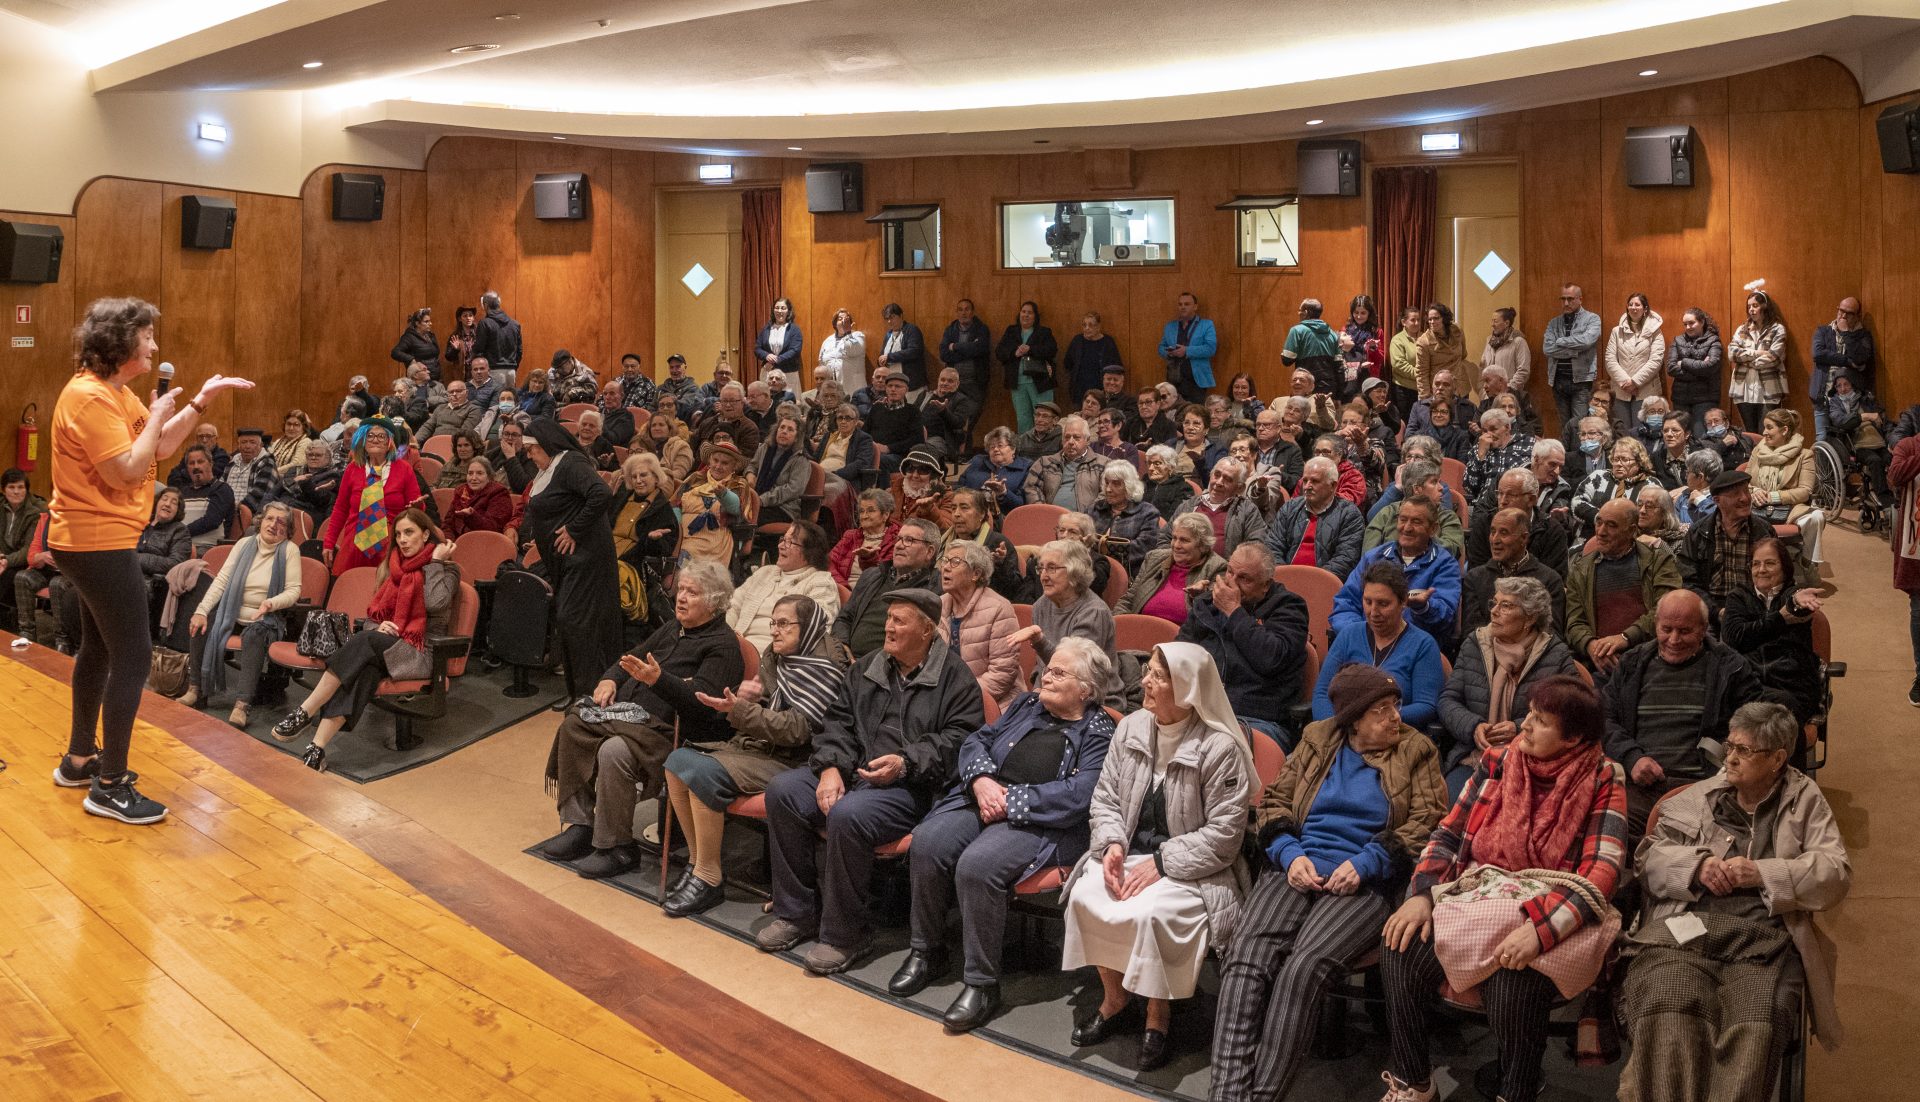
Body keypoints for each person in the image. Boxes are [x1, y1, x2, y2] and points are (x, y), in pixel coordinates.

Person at [1377, 675, 1627, 1102]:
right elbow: (1448, 834)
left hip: (1551, 903)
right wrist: (1421, 894)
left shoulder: (1603, 775)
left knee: (1514, 985)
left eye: (1541, 720)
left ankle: (1516, 1092)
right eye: (1529, 713)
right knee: (1400, 944)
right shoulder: (1499, 759)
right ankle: (1414, 1081)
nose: (1524, 724)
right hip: (1481, 897)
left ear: (1573, 738)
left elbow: (1601, 872)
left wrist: (1541, 930)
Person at [1213, 665, 1447, 1101]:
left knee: (1303, 969)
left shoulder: (1416, 749)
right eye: (1381, 710)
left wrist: (1369, 861)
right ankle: (1227, 1096)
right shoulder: (1318, 738)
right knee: (1246, 957)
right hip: (1299, 863)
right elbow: (1275, 801)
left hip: (1368, 878)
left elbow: (1429, 821)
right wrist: (1289, 853)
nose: (1395, 717)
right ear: (1354, 718)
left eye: (1395, 706)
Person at [48, 300, 252, 800]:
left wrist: (198, 402)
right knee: (134, 658)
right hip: (96, 540)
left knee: (99, 648)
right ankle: (110, 785)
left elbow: (158, 447)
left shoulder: (115, 393)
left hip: (97, 538)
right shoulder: (89, 398)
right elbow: (125, 471)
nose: (154, 346)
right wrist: (159, 412)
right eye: (147, 337)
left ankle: (79, 760)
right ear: (121, 342)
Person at [1620, 701, 1850, 1100]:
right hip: (1684, 935)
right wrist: (1696, 866)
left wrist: (1763, 872)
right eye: (1730, 746)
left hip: (1764, 943)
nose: (1729, 758)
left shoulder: (1805, 799)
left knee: (1755, 1025)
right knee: (1667, 1006)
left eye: (1744, 750)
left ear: (1778, 758)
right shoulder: (1700, 796)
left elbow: (1836, 874)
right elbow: (1648, 859)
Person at [759, 588, 984, 972]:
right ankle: (796, 912)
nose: (888, 627)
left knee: (849, 814)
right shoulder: (867, 666)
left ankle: (845, 935)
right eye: (888, 618)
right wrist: (830, 767)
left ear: (926, 630)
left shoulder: (956, 679)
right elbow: (836, 722)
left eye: (899, 621)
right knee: (783, 792)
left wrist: (905, 762)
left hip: (912, 786)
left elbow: (958, 743)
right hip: (854, 772)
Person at [898, 638, 1116, 1028]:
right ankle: (927, 951)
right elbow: (977, 740)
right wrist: (982, 781)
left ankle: (981, 983)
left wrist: (1010, 800)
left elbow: (1082, 795)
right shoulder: (1028, 704)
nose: (1046, 676)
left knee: (977, 865)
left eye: (1059, 672)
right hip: (986, 798)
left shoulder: (1098, 729)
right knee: (928, 843)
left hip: (1042, 820)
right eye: (1047, 669)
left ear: (1085, 690)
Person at [1061, 642, 1254, 1071]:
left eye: (1157, 677)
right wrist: (1112, 843)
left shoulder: (1220, 747)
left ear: (1187, 689)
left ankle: (1157, 1014)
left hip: (1193, 869)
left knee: (1152, 915)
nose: (1144, 682)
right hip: (1130, 852)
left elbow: (1224, 836)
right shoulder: (1131, 727)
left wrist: (1162, 864)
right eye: (1147, 671)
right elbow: (1105, 798)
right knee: (1086, 896)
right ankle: (1115, 998)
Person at [530, 561, 744, 877]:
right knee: (574, 724)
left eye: (692, 592)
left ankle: (618, 847)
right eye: (681, 589)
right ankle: (580, 824)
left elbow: (703, 707)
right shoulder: (673, 628)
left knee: (613, 750)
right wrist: (610, 679)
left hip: (673, 734)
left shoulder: (722, 646)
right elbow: (631, 658)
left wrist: (659, 680)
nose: (681, 597)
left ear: (714, 602)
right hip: (634, 720)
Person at [656, 593, 850, 916]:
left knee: (699, 770)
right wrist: (749, 699)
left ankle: (709, 878)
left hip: (797, 762)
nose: (774, 630)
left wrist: (742, 710)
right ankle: (697, 862)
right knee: (676, 763)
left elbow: (798, 730)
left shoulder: (826, 666)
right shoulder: (777, 655)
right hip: (761, 748)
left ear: (809, 626)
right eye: (773, 623)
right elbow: (772, 706)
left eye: (784, 623)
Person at [270, 508, 459, 771]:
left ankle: (305, 711)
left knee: (366, 641)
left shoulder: (447, 570)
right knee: (365, 671)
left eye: (409, 532)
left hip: (420, 653)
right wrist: (380, 626)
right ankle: (317, 748)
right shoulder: (391, 568)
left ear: (426, 534)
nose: (403, 540)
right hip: (386, 648)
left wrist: (436, 562)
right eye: (399, 534)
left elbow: (435, 602)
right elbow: (371, 618)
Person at [1604, 590, 1764, 835]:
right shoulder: (1631, 664)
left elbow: (1753, 727)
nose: (1674, 639)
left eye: (1685, 631)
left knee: (1708, 840)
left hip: (1705, 787)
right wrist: (1632, 757)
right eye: (1666, 629)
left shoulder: (1731, 667)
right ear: (1655, 625)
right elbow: (1605, 719)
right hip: (1639, 788)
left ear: (1704, 629)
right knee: (1607, 831)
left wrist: (1723, 766)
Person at [1439, 575, 1580, 797]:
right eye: (1494, 603)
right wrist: (1473, 727)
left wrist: (1518, 728)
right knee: (1453, 808)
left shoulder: (1555, 654)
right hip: (1474, 755)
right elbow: (1448, 700)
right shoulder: (1475, 644)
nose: (1494, 611)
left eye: (1506, 606)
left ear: (1530, 618)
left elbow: (1570, 712)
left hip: (1533, 760)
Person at [520, 418, 622, 708]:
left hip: (586, 559)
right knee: (569, 624)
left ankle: (590, 694)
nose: (529, 455)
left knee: (575, 621)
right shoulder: (549, 469)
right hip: (564, 562)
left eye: (532, 449)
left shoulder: (570, 463)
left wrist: (575, 529)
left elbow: (601, 493)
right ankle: (578, 692)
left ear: (547, 444)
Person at [182, 502, 301, 727]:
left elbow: (294, 591)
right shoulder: (244, 544)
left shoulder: (290, 550)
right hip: (233, 609)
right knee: (202, 624)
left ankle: (242, 705)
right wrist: (201, 610)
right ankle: (196, 689)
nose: (274, 525)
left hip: (267, 616)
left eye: (281, 522)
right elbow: (222, 580)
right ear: (261, 521)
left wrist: (270, 603)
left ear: (287, 530)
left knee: (254, 635)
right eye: (270, 519)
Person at [1178, 542, 1309, 744]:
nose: (1231, 582)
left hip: (1256, 718)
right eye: (1230, 572)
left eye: (1244, 578)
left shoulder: (1289, 607)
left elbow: (1271, 659)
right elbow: (1179, 653)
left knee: (1213, 746)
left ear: (1266, 585)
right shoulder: (1207, 603)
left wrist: (1233, 611)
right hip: (1202, 711)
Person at [1316, 560, 1445, 730]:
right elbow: (1322, 693)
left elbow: (1426, 706)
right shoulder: (1349, 635)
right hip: (1343, 731)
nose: (1373, 612)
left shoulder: (1423, 645)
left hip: (1396, 733)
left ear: (1403, 602)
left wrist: (1375, 718)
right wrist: (1335, 728)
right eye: (1368, 602)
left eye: (1383, 604)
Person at [1334, 495, 1461, 656]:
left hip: (1414, 652)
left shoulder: (1445, 564)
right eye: (1403, 520)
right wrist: (1360, 636)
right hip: (1363, 648)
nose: (1407, 528)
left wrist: (1424, 608)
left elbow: (1446, 617)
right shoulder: (1373, 558)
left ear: (1433, 529)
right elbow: (1345, 604)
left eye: (1416, 522)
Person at [1720, 537, 1824, 724]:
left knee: (1779, 711)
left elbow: (1796, 604)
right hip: (1751, 685)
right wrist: (1780, 618)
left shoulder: (1792, 593)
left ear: (1784, 567)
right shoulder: (1738, 597)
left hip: (1790, 686)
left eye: (1770, 563)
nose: (1761, 570)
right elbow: (1735, 637)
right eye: (1756, 564)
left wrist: (1793, 604)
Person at [1011, 539, 1122, 710]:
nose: (1043, 576)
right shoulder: (1041, 605)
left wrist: (1039, 641)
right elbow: (1042, 665)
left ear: (1074, 572)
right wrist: (1038, 690)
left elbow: (1072, 671)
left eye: (1052, 568)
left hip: (1091, 702)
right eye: (1041, 568)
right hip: (1052, 694)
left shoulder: (1093, 612)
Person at [1679, 470, 1784, 620]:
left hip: (1755, 610)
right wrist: (1717, 612)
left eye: (1746, 491)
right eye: (1735, 494)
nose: (1745, 498)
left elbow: (1781, 576)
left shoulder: (1764, 531)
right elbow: (1689, 582)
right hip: (1711, 611)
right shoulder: (1699, 532)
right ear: (1717, 500)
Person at [833, 516, 939, 660]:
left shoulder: (935, 588)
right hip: (846, 658)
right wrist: (843, 648)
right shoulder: (871, 575)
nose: (899, 545)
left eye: (909, 540)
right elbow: (845, 618)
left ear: (929, 551)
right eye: (899, 539)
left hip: (891, 666)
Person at [729, 521, 840, 654]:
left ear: (810, 552)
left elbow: (815, 630)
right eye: (783, 539)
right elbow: (732, 607)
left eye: (789, 542)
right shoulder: (764, 573)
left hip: (777, 657)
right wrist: (726, 637)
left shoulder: (821, 582)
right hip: (734, 648)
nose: (780, 545)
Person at [937, 539, 1021, 711]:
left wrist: (957, 698)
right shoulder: (938, 605)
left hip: (993, 703)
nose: (945, 567)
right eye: (945, 561)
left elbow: (1001, 675)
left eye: (955, 562)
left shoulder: (999, 608)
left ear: (975, 574)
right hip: (946, 700)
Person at [1461, 508, 1566, 643]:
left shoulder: (1550, 580)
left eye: (1504, 533)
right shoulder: (1475, 578)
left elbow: (1551, 635)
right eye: (1492, 532)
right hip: (1484, 654)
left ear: (1524, 538)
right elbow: (1471, 634)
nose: (1495, 540)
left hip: (1534, 655)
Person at [1746, 407, 1827, 568]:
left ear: (1784, 430)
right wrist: (1755, 491)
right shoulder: (1758, 451)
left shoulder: (1804, 455)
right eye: (1764, 427)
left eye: (1769, 427)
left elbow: (1805, 491)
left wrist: (1773, 496)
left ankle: (1808, 563)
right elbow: (1744, 482)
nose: (1764, 432)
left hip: (1790, 509)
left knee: (1816, 517)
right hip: (1755, 506)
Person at [1118, 511, 1225, 623]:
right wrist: (1121, 624)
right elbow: (1128, 600)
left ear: (1202, 544)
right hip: (1139, 628)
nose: (1176, 545)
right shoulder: (1154, 558)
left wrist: (1201, 596)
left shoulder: (1217, 568)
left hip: (1180, 633)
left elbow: (1214, 619)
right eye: (1174, 538)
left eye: (1184, 540)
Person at [1467, 467, 1572, 578]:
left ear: (1531, 500)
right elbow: (1477, 576)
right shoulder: (1484, 524)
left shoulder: (1552, 531)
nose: (1502, 501)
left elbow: (1553, 580)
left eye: (1510, 495)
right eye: (1500, 493)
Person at [1363, 460, 1466, 560]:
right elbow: (1368, 557)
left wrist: (1423, 537)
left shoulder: (1447, 517)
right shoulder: (1387, 513)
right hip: (1386, 569)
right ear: (1417, 489)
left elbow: (1451, 551)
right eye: (1434, 482)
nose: (1441, 488)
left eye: (1440, 482)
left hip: (1431, 569)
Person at [1542, 284, 1604, 449]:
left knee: (1580, 425)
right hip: (1558, 381)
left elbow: (1587, 341)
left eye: (1570, 299)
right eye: (1563, 299)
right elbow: (1547, 349)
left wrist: (1561, 341)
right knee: (1564, 426)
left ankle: (1580, 458)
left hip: (1581, 381)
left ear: (1580, 299)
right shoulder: (1554, 323)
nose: (1566, 303)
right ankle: (1566, 458)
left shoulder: (1592, 319)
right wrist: (1574, 351)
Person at [677, 440, 752, 567]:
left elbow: (737, 509)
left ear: (734, 467)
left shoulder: (738, 484)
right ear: (709, 461)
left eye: (724, 463)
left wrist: (724, 494)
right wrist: (677, 530)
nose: (718, 466)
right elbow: (675, 505)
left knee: (686, 555)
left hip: (715, 539)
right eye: (715, 460)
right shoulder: (695, 478)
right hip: (683, 536)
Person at [1809, 296, 1874, 440]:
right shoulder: (1823, 331)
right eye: (1841, 311)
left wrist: (1846, 333)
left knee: (1848, 440)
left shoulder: (1862, 335)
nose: (1843, 316)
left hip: (1849, 399)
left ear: (1857, 316)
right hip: (1822, 395)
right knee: (1822, 438)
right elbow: (1818, 354)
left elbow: (1860, 358)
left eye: (1849, 313)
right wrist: (1847, 361)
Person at [1173, 456, 1264, 559]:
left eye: (1228, 479)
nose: (1219, 482)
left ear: (1239, 488)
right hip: (1182, 565)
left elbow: (1255, 548)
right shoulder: (1189, 505)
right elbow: (1165, 538)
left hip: (1224, 567)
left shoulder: (1248, 510)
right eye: (1216, 475)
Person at [1825, 369, 1891, 507]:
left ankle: (1901, 493)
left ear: (1852, 384)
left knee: (1891, 458)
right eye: (1839, 386)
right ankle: (1885, 498)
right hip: (1855, 444)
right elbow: (1840, 422)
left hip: (1877, 440)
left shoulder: (1865, 398)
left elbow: (1881, 418)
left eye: (1846, 384)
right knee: (1875, 460)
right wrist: (1863, 416)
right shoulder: (1835, 403)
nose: (1843, 389)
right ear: (1835, 388)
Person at [608, 451, 677, 581]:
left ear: (656, 477)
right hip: (604, 553)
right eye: (634, 477)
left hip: (632, 565)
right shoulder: (621, 498)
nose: (638, 480)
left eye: (643, 475)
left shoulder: (663, 509)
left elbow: (665, 549)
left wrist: (653, 540)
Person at [1727, 288, 1788, 432]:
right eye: (1749, 306)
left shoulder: (1777, 329)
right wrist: (1758, 353)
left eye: (1755, 306)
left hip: (1769, 389)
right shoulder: (1742, 329)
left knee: (1767, 432)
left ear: (1765, 307)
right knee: (1750, 433)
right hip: (1743, 389)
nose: (1751, 310)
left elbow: (1774, 357)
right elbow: (1732, 354)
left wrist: (1746, 360)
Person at [1573, 436, 1659, 536]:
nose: (1618, 464)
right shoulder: (1598, 476)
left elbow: (1655, 515)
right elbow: (1577, 503)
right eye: (1616, 459)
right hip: (1591, 535)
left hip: (1633, 538)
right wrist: (1602, 519)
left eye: (1625, 459)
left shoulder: (1650, 485)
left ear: (1639, 462)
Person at [992, 300, 1057, 433]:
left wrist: (1030, 349)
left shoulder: (1043, 332)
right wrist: (1014, 353)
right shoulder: (1011, 331)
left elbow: (1052, 350)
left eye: (1030, 313)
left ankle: (1046, 444)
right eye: (1023, 312)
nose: (1026, 315)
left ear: (1035, 316)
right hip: (1018, 383)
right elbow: (999, 352)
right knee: (1023, 419)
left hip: (1040, 383)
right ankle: (1026, 445)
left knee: (1044, 418)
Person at [1602, 294, 1666, 429]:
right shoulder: (1616, 331)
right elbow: (1610, 359)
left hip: (1646, 391)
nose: (1633, 307)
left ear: (1645, 309)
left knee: (1643, 432)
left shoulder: (1655, 332)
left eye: (1637, 304)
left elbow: (1656, 361)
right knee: (1622, 432)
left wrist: (1635, 382)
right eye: (1630, 304)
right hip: (1620, 391)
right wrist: (1625, 383)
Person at [1089, 460, 1163, 576]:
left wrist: (1099, 546)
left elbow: (1143, 549)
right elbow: (1079, 538)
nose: (1108, 489)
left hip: (1129, 573)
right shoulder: (1095, 508)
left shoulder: (1147, 512)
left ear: (1129, 486)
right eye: (1107, 483)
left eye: (1116, 484)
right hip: (1091, 570)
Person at [1663, 308, 1726, 437]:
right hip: (1681, 399)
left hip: (1705, 398)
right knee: (1680, 437)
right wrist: (1700, 370)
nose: (1688, 327)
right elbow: (1671, 368)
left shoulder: (1713, 340)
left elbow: (1710, 367)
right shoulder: (1678, 340)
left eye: (1691, 323)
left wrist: (1684, 362)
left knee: (1700, 437)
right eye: (1685, 324)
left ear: (1702, 322)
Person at [1026, 414, 1104, 512]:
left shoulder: (1103, 464)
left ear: (1087, 440)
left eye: (1076, 437)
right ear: (1062, 440)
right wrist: (1043, 512)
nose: (1070, 442)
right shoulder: (1044, 463)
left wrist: (1088, 514)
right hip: (1050, 518)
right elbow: (1031, 487)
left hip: (1086, 519)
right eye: (1067, 437)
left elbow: (1106, 494)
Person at [828, 488, 898, 589]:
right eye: (861, 511)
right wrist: (844, 588)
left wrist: (869, 559)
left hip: (874, 592)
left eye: (870, 511)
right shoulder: (850, 536)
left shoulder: (896, 539)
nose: (864, 516)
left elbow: (885, 576)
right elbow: (829, 564)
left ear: (885, 515)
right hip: (842, 589)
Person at [747, 413, 809, 527]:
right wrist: (750, 474)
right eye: (782, 427)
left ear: (797, 437)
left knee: (745, 517)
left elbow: (793, 490)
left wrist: (762, 500)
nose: (784, 431)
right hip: (757, 499)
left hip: (783, 509)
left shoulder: (801, 459)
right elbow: (752, 465)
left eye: (790, 429)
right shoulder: (765, 448)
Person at [1462, 407, 1534, 502]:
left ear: (1507, 427)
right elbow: (1469, 487)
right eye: (1484, 431)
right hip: (1485, 504)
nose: (1489, 434)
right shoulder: (1478, 449)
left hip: (1518, 502)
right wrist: (1480, 456)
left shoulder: (1529, 444)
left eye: (1493, 429)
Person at [174, 445, 236, 555]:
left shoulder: (221, 489)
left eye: (200, 462)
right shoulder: (183, 492)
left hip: (207, 549)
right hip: (180, 546)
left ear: (211, 464)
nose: (196, 466)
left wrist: (180, 533)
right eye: (191, 463)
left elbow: (211, 521)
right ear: (187, 468)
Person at [1158, 291, 1217, 403]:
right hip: (1174, 378)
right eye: (1180, 304)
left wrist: (1187, 350)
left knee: (1195, 411)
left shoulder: (1206, 325)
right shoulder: (1170, 326)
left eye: (1187, 304)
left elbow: (1210, 348)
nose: (1183, 307)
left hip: (1196, 381)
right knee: (1173, 410)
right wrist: (1168, 352)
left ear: (1195, 307)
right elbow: (1161, 347)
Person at [958, 427, 1029, 516]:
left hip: (1004, 517)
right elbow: (959, 487)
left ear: (1013, 448)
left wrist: (1004, 492)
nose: (995, 449)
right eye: (992, 447)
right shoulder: (977, 462)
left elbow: (1022, 505)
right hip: (970, 513)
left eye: (1000, 445)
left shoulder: (1025, 468)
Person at [937, 298, 993, 406]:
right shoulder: (950, 330)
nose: (963, 313)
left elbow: (980, 349)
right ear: (957, 313)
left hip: (974, 383)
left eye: (967, 309)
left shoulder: (981, 329)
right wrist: (969, 350)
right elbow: (944, 354)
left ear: (973, 312)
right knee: (951, 412)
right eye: (960, 310)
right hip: (952, 383)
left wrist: (955, 346)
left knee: (974, 411)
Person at [1281, 298, 1342, 396]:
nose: (1298, 313)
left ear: (1305, 312)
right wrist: (1338, 395)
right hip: (1328, 386)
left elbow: (1287, 360)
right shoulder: (1332, 334)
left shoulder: (1296, 331)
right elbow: (1339, 366)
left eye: (1300, 310)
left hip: (1305, 385)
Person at [1060, 311, 1122, 404]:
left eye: (1090, 325)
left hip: (1101, 387)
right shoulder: (1077, 341)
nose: (1087, 328)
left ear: (1098, 326)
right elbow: (1067, 363)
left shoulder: (1108, 342)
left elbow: (1117, 367)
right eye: (1084, 325)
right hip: (1080, 388)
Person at [1414, 303, 1469, 403]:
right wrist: (1425, 398)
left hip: (1460, 387)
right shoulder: (1424, 342)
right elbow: (1422, 373)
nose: (1432, 322)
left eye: (1436, 318)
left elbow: (1463, 354)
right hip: (1440, 390)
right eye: (1430, 319)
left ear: (1444, 318)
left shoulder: (1457, 331)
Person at [690, 381, 762, 455]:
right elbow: (692, 447)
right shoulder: (707, 423)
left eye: (732, 401)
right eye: (724, 401)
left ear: (742, 403)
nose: (728, 405)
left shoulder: (749, 428)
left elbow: (746, 458)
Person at [473, 290, 521, 391]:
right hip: (511, 371)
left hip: (493, 370)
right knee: (509, 398)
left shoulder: (485, 323)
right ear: (499, 304)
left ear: (485, 305)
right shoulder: (515, 324)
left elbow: (479, 349)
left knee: (495, 399)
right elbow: (519, 351)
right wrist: (513, 366)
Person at [635, 406, 695, 486]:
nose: (657, 428)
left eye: (661, 425)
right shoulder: (643, 446)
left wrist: (653, 478)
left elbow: (679, 473)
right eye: (653, 425)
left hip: (666, 487)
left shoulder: (681, 446)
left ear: (669, 429)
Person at [1480, 306, 1532, 398]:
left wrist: (1507, 388)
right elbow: (1483, 366)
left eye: (1495, 321)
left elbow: (1523, 371)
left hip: (1510, 396)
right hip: (1489, 396)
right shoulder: (1489, 342)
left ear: (1506, 323)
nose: (1492, 324)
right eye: (1492, 321)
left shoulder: (1518, 342)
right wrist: (1483, 392)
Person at [877, 302, 928, 390]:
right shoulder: (888, 335)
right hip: (892, 382)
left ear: (901, 315)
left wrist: (889, 357)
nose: (889, 321)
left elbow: (914, 351)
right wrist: (880, 360)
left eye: (892, 317)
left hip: (911, 383)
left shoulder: (911, 330)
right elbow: (883, 354)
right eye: (887, 319)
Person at [1386, 306, 1423, 419]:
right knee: (1407, 422)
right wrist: (1420, 374)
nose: (1416, 323)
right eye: (1413, 320)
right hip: (1404, 391)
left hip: (1423, 389)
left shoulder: (1425, 337)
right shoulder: (1397, 340)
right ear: (1403, 322)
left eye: (1418, 320)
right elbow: (1399, 365)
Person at [1673, 448, 1722, 528]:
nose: (1685, 477)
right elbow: (1674, 525)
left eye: (1688, 472)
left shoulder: (1720, 498)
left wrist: (1701, 501)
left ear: (1700, 477)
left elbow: (1719, 519)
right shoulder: (1683, 497)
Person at [754, 297, 803, 378]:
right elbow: (757, 348)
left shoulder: (794, 330)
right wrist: (766, 355)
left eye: (783, 308)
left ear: (788, 311)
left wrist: (776, 360)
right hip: (768, 372)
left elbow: (795, 350)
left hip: (788, 373)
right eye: (777, 308)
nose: (779, 311)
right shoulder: (766, 329)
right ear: (773, 310)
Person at [817, 307, 867, 384]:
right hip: (833, 386)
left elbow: (853, 351)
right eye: (840, 319)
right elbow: (821, 362)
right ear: (835, 324)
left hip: (853, 386)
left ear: (850, 323)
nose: (843, 321)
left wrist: (848, 333)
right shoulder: (827, 341)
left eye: (846, 319)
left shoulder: (858, 336)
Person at [443, 305, 477, 377]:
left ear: (473, 318)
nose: (468, 318)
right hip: (462, 373)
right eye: (465, 316)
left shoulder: (479, 333)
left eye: (470, 315)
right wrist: (455, 350)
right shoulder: (455, 336)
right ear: (459, 319)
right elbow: (448, 357)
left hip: (477, 371)